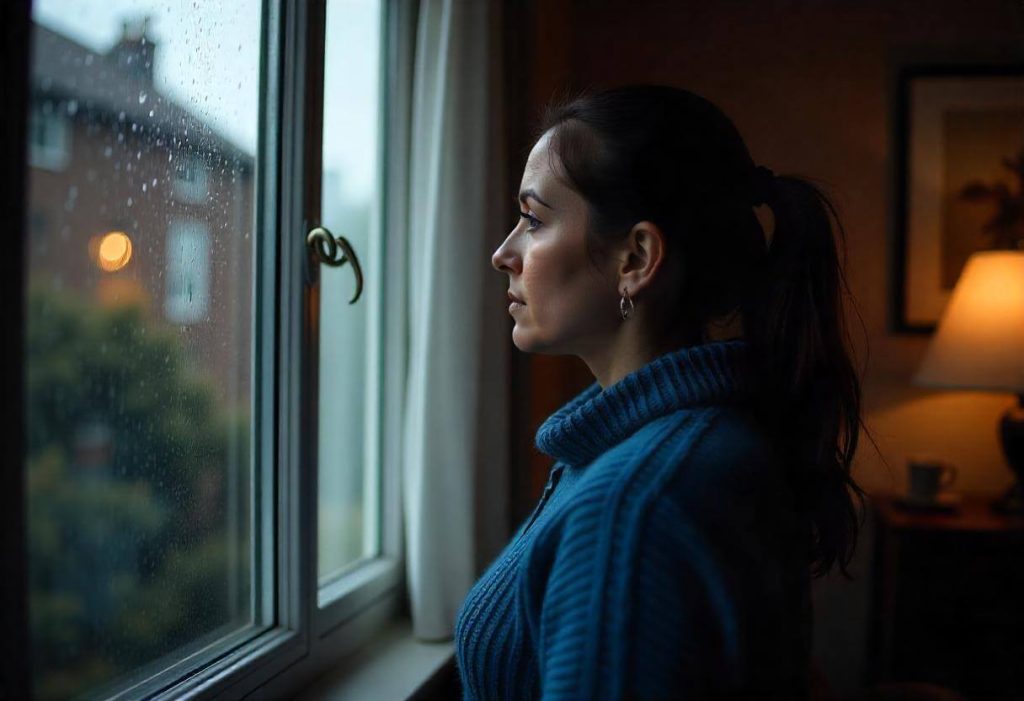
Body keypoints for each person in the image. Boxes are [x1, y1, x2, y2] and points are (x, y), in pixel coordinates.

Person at [454, 84, 871, 700]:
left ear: (636, 258)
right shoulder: (694, 447)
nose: (503, 254)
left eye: (534, 220)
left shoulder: (632, 508)